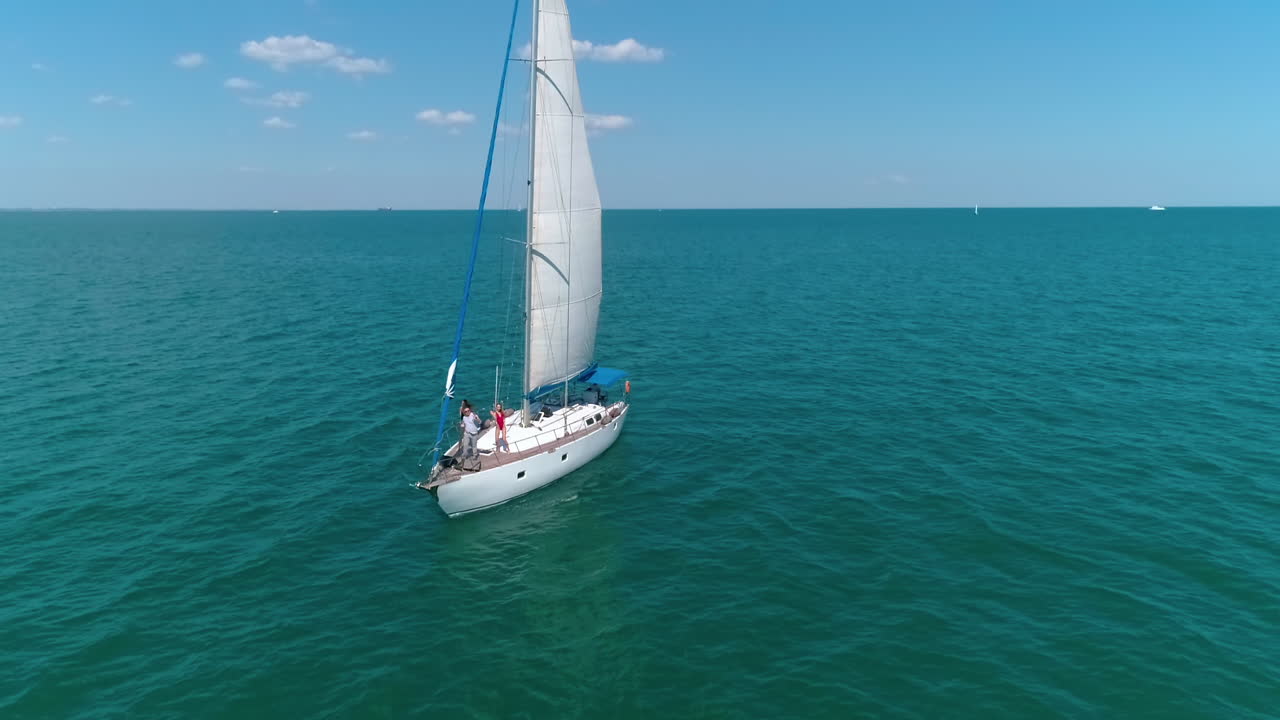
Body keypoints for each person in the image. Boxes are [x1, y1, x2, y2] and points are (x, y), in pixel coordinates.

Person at [459, 404, 482, 470]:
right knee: (465, 445)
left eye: (468, 411)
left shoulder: (473, 415)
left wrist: (477, 419)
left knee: (474, 445)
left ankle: (475, 455)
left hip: (474, 433)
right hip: (467, 433)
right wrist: (462, 425)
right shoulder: (464, 417)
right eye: (465, 411)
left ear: (470, 410)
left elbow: (480, 422)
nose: (467, 412)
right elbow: (464, 423)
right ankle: (464, 456)